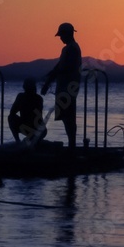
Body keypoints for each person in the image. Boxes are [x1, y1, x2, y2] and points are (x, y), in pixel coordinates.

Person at [42, 22, 81, 152]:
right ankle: (72, 144)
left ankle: (72, 145)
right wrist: (49, 78)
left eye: (61, 35)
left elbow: (65, 67)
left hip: (68, 88)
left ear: (67, 34)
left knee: (68, 117)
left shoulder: (72, 48)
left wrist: (52, 77)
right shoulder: (67, 48)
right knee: (66, 117)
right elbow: (59, 66)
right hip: (64, 87)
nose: (60, 38)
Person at [8, 77, 45, 145]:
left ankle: (18, 141)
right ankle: (22, 141)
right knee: (11, 117)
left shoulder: (22, 97)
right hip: (40, 130)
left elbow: (12, 112)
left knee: (11, 118)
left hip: (33, 127)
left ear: (24, 86)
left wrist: (21, 106)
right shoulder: (39, 98)